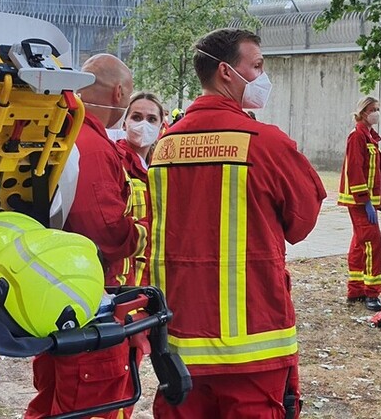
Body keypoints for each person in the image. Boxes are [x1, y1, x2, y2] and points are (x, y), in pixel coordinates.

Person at [148, 28, 326, 419]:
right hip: (254, 345)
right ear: (227, 72)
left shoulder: (163, 147)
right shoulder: (265, 143)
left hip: (177, 342)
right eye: (257, 66)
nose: (263, 78)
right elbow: (302, 222)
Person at [25, 54, 145, 419]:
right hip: (90, 303)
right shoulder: (90, 144)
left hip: (54, 297)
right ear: (120, 92)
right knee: (91, 404)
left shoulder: (60, 128)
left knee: (53, 403)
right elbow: (105, 230)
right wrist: (141, 232)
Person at [339, 96, 381, 312]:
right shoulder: (357, 136)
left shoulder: (368, 136)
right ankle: (371, 292)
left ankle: (355, 288)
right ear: (363, 112)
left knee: (360, 243)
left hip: (366, 201)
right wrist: (365, 200)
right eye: (373, 109)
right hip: (360, 201)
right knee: (372, 243)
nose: (376, 112)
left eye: (377, 108)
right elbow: (355, 168)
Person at [115, 91, 164, 285]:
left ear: (161, 126)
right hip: (122, 277)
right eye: (136, 117)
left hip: (150, 276)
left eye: (152, 119)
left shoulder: (160, 168)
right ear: (125, 122)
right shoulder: (115, 161)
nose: (144, 124)